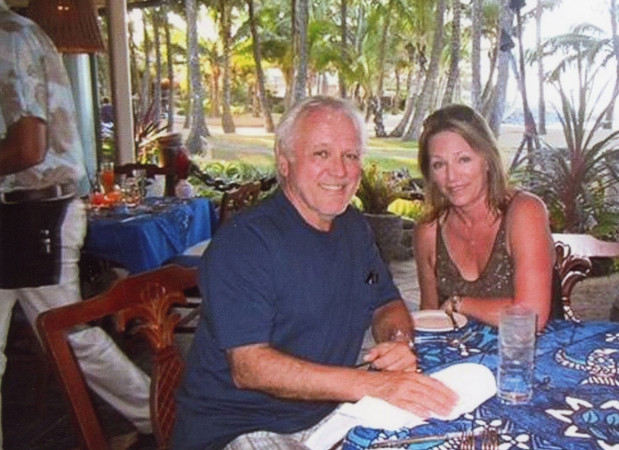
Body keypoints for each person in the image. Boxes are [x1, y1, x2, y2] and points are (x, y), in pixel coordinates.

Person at [173, 96, 457, 450]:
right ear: (285, 162)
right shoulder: (246, 243)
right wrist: (374, 385)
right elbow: (250, 367)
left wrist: (397, 340)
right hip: (238, 428)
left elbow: (385, 303)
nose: (340, 171)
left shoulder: (352, 226)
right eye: (321, 154)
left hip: (325, 417)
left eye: (350, 156)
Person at [0, 2, 153, 447]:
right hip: (22, 210)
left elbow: (29, 148)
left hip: (34, 212)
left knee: (66, 333)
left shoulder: (9, 37)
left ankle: (160, 408)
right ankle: (158, 409)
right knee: (66, 334)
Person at [413, 104, 556, 330]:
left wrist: (459, 303)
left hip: (530, 355)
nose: (452, 176)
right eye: (439, 164)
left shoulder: (524, 212)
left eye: (464, 159)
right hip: (461, 359)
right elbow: (430, 319)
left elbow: (532, 316)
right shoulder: (429, 232)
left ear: (487, 160)